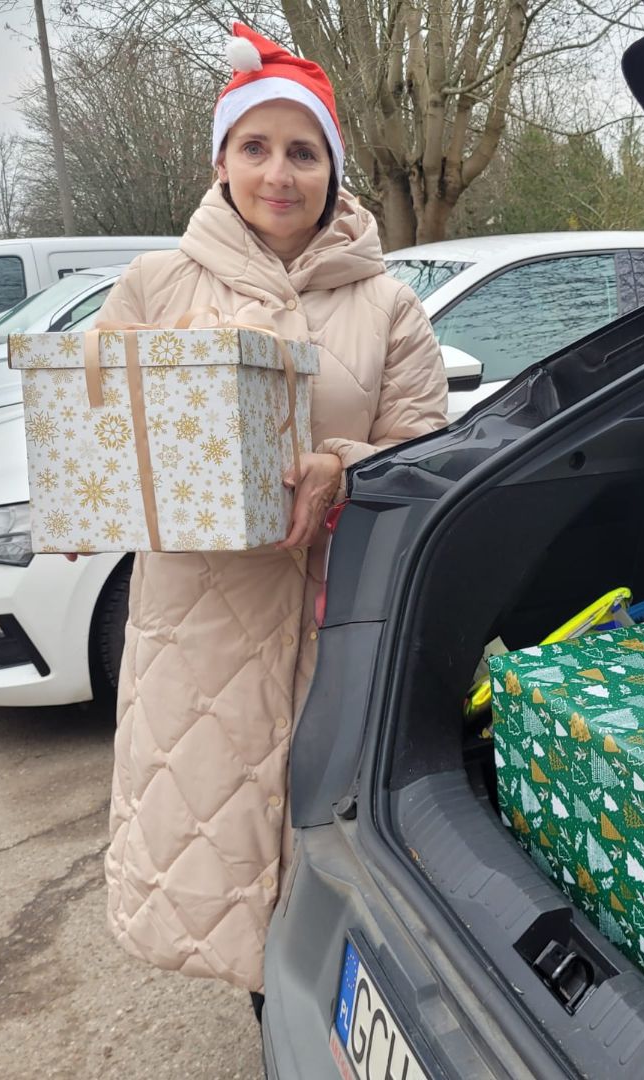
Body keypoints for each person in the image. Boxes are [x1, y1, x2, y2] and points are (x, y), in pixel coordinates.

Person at [94, 23, 449, 1000]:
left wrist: (342, 466)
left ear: (332, 170)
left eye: (303, 151)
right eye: (255, 147)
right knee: (222, 868)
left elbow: (425, 454)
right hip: (203, 633)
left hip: (343, 628)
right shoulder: (155, 283)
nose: (279, 173)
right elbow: (105, 433)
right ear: (221, 161)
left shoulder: (389, 306)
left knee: (333, 880)